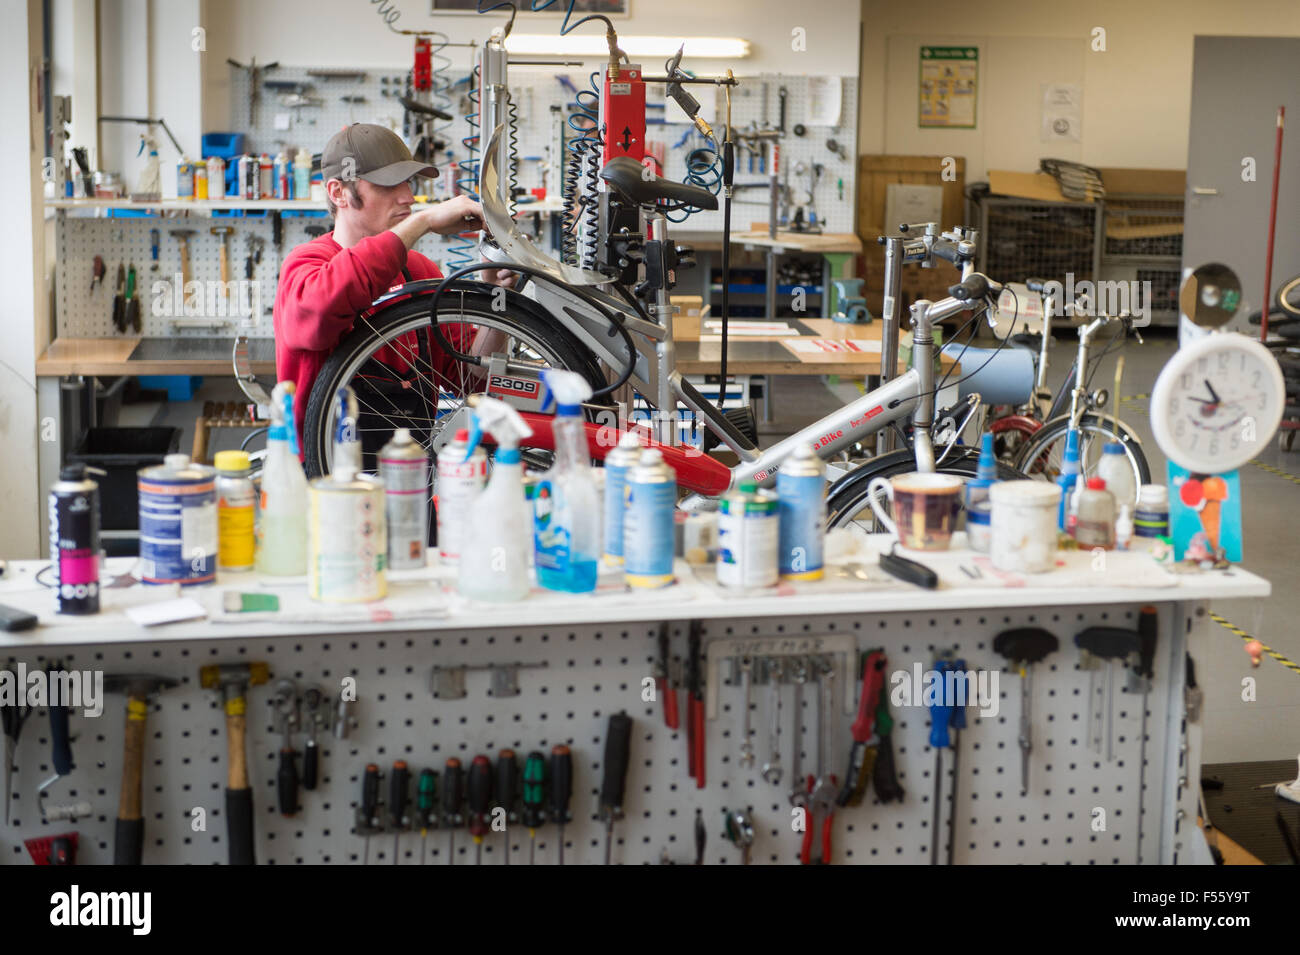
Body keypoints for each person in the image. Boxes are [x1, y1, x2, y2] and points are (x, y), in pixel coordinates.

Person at [273, 123, 513, 462]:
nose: (408, 196)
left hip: (411, 482)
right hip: (324, 486)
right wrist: (424, 221)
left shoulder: (419, 272)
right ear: (338, 192)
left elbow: (471, 380)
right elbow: (320, 312)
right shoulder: (307, 266)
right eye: (388, 184)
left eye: (408, 182)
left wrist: (494, 299)